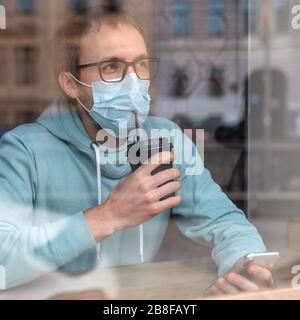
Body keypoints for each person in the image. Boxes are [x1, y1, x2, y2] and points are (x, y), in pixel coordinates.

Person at [0, 7, 273, 295]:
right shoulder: (23, 151)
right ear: (71, 84)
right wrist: (109, 215)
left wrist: (245, 265)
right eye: (112, 67)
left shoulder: (165, 138)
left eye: (141, 64)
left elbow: (224, 221)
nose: (133, 81)